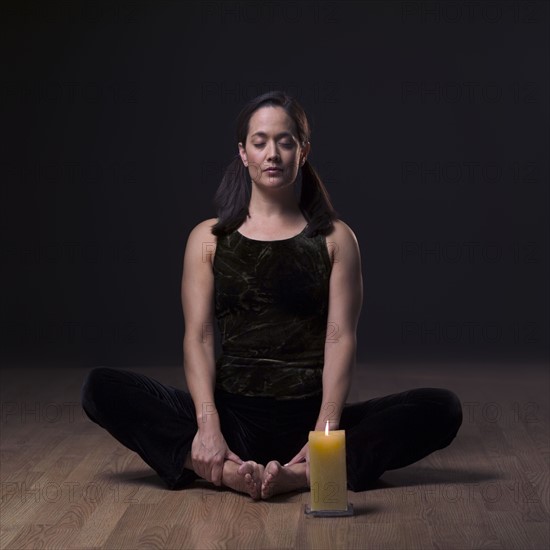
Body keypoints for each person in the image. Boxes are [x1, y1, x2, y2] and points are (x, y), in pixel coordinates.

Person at [81, 90, 463, 501]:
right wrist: (208, 425)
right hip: (232, 420)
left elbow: (340, 337)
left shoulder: (335, 238)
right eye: (260, 142)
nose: (273, 153)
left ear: (303, 151)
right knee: (101, 387)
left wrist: (327, 430)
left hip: (307, 422)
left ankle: (305, 472)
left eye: (285, 141)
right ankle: (219, 467)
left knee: (441, 407)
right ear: (243, 153)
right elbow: (200, 336)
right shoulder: (209, 238)